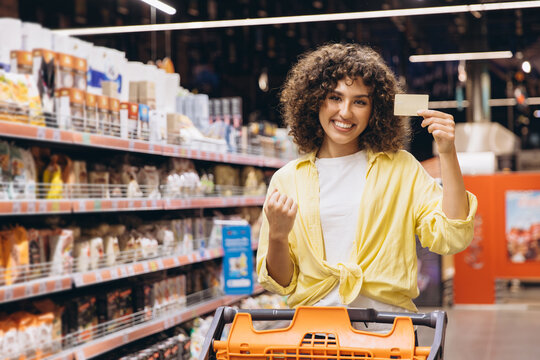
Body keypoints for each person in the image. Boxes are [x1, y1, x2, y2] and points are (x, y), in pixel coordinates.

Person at [256, 43, 478, 328]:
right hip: (315, 337)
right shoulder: (288, 179)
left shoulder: (401, 168)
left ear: (376, 109)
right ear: (315, 101)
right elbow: (281, 283)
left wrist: (447, 153)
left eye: (359, 101)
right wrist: (277, 235)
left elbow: (451, 236)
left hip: (387, 335)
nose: (345, 112)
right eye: (335, 98)